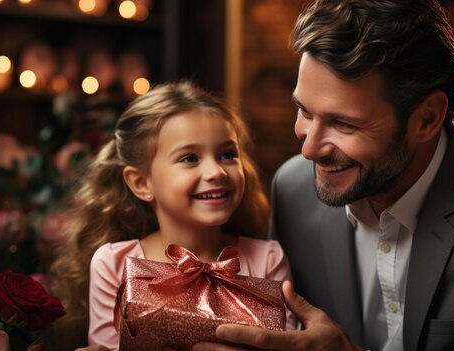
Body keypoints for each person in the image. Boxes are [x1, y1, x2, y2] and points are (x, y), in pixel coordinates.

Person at [193, 0, 454, 350]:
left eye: (342, 123)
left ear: (426, 118)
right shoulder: (292, 189)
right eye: (304, 110)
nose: (309, 150)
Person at [49, 81, 299, 351]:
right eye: (190, 158)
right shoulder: (115, 264)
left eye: (227, 154)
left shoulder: (268, 259)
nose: (217, 172)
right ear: (142, 183)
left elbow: (290, 346)